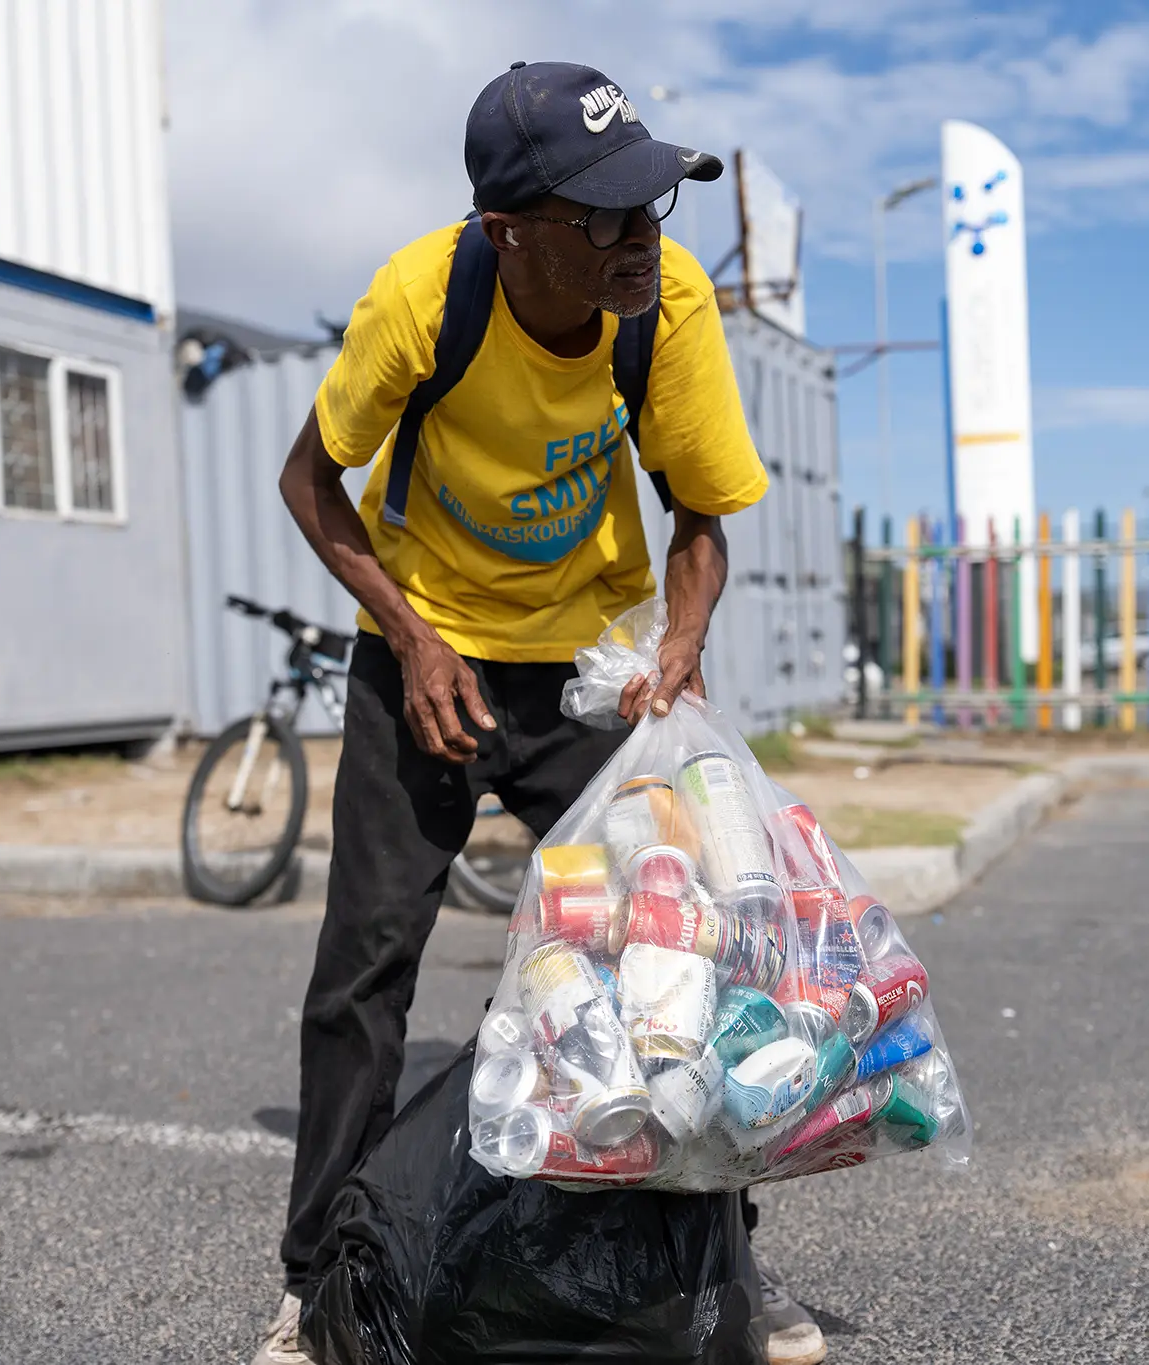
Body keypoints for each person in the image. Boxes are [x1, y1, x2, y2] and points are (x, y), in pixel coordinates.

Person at [253, 60, 827, 1365]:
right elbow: (311, 483)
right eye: (607, 219)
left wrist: (676, 657)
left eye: (651, 209)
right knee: (364, 971)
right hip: (431, 661)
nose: (641, 243)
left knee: (674, 960)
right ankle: (310, 1288)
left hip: (592, 668)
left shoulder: (664, 304)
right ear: (510, 233)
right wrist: (412, 636)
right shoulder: (421, 302)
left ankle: (718, 1260)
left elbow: (702, 522)